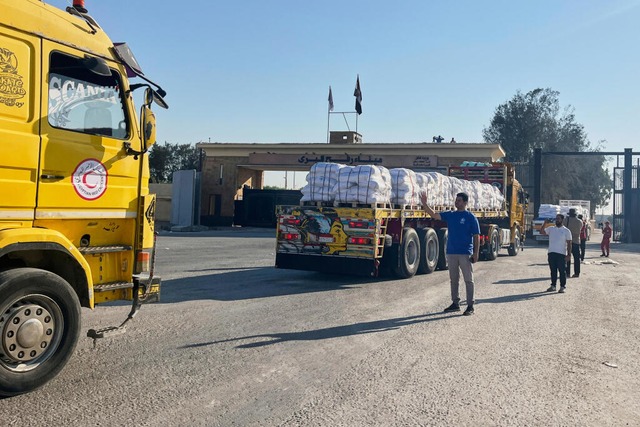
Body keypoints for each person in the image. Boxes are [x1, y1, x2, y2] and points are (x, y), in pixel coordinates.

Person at [422, 192, 480, 316]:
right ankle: (455, 303)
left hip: (465, 253)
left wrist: (476, 253)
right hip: (451, 252)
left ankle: (470, 305)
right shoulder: (450, 215)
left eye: (459, 200)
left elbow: (476, 236)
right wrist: (424, 204)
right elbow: (434, 215)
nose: (456, 202)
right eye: (456, 200)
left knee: (468, 280)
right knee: (454, 279)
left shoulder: (470, 217)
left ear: (465, 203)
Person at [541, 213, 572, 293]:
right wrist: (545, 223)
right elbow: (542, 232)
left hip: (561, 254)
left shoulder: (566, 231)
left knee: (562, 271)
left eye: (558, 219)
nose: (557, 220)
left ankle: (562, 287)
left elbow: (569, 243)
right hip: (551, 253)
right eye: (556, 218)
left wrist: (569, 254)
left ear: (562, 220)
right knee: (553, 271)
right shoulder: (551, 229)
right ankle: (553, 286)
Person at [563, 208, 582, 277]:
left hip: (568, 241)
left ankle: (567, 272)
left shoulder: (566, 220)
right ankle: (577, 273)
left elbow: (563, 229)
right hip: (576, 241)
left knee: (567, 257)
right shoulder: (580, 221)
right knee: (577, 258)